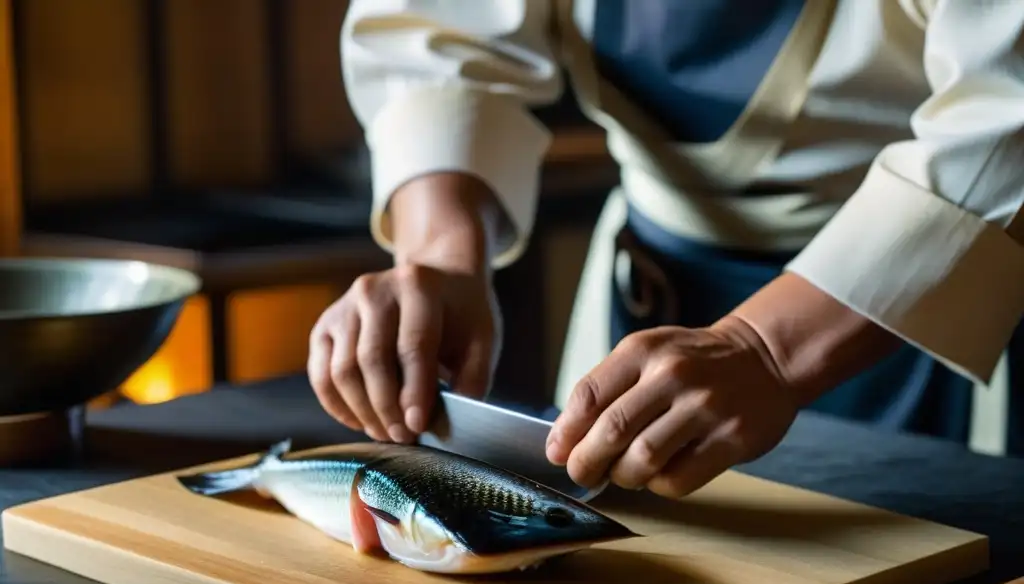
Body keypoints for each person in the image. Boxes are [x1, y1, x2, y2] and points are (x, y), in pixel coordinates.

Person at [307, 0, 1024, 552]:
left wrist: (765, 348)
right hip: (649, 289)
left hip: (937, 306)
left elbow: (1005, 117)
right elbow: (438, 32)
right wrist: (437, 253)